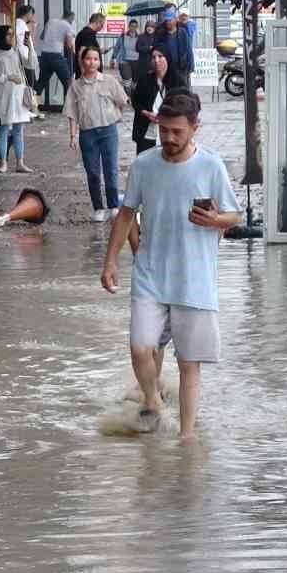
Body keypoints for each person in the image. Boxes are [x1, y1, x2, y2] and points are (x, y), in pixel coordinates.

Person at [100, 92, 241, 438]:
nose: (169, 138)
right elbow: (126, 214)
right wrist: (110, 262)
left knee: (189, 364)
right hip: (150, 273)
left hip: (195, 280)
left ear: (195, 128)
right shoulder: (144, 165)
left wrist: (215, 221)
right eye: (163, 130)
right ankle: (154, 402)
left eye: (177, 131)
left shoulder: (211, 165)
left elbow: (234, 215)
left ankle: (187, 438)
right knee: (139, 346)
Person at [65, 45, 130, 222]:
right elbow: (72, 113)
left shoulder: (109, 81)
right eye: (88, 59)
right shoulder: (76, 86)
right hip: (88, 134)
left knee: (111, 170)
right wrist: (73, 136)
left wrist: (117, 116)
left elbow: (123, 100)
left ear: (99, 62)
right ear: (82, 61)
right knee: (93, 172)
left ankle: (113, 205)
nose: (92, 62)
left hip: (108, 131)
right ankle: (98, 207)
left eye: (95, 59)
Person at [0, 24, 34, 173]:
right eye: (8, 35)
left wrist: (30, 47)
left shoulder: (16, 52)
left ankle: (20, 162)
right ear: (1, 37)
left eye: (12, 35)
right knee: (4, 129)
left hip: (18, 96)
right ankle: (3, 162)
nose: (11, 38)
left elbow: (31, 64)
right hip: (4, 97)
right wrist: (7, 77)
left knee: (19, 130)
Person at [131, 45, 173, 153]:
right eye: (153, 57)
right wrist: (146, 113)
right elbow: (135, 101)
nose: (156, 60)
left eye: (160, 56)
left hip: (169, 132)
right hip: (146, 131)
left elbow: (183, 107)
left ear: (168, 58)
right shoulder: (145, 79)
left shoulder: (177, 81)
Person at [37, 10, 77, 104]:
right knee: (68, 82)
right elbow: (69, 45)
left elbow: (42, 37)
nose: (72, 22)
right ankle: (69, 108)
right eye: (72, 20)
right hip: (56, 56)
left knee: (41, 83)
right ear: (70, 18)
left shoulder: (51, 21)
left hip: (44, 55)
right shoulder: (68, 26)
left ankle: (33, 107)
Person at [157, 7, 193, 87]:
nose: (168, 22)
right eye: (166, 20)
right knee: (170, 91)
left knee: (184, 90)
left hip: (182, 67)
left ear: (175, 20)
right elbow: (158, 50)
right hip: (168, 68)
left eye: (170, 20)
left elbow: (189, 50)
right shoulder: (161, 33)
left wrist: (191, 67)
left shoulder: (182, 32)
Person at [15, 5, 40, 89]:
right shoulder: (19, 23)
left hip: (27, 58)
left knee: (31, 84)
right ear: (28, 13)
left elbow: (29, 41)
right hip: (23, 59)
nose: (33, 17)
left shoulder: (24, 25)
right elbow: (16, 38)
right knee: (29, 86)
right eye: (32, 14)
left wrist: (33, 28)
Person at [113, 19, 140, 85]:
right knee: (127, 82)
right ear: (128, 26)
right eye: (131, 26)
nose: (133, 28)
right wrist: (113, 58)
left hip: (136, 62)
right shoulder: (122, 36)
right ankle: (127, 95)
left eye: (135, 26)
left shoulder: (140, 37)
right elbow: (117, 47)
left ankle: (133, 95)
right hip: (124, 61)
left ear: (137, 27)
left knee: (134, 83)